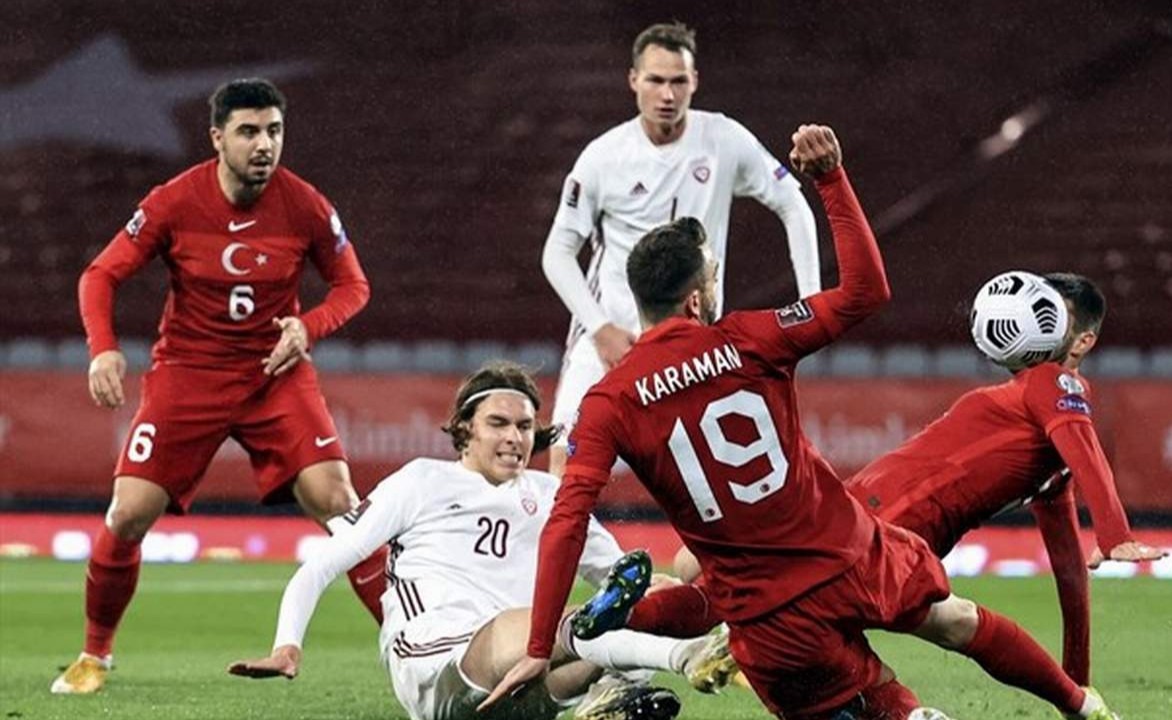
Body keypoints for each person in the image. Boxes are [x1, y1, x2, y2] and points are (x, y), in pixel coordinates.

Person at [484, 126, 1122, 720]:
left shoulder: (609, 401)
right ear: (698, 297)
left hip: (765, 611)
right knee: (956, 622)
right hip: (851, 552)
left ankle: (602, 628)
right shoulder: (751, 338)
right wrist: (832, 180)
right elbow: (867, 292)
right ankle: (1082, 706)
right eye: (714, 275)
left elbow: (567, 519)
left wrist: (540, 644)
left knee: (859, 691)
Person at [633, 272, 1168, 687]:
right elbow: (1079, 448)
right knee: (716, 593)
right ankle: (614, 627)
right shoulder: (1043, 392)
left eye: (1051, 314)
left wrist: (1079, 668)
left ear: (1081, 341)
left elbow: (1069, 565)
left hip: (872, 522)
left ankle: (610, 628)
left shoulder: (1050, 401)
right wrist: (1114, 537)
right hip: (876, 525)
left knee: (708, 580)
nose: (1037, 320)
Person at [54, 78, 386, 694]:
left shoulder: (307, 205)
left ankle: (415, 646)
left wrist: (307, 327)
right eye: (249, 132)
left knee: (343, 505)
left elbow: (353, 286)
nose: (264, 145)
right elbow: (99, 275)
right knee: (128, 514)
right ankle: (94, 655)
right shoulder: (174, 201)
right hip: (189, 374)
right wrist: (103, 350)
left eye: (274, 131)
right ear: (217, 138)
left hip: (275, 376)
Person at [228, 362, 731, 720]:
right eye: (498, 423)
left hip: (527, 679)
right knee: (579, 622)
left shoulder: (549, 495)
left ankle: (610, 694)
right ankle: (685, 656)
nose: (515, 437)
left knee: (637, 605)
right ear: (465, 427)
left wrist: (676, 590)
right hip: (436, 661)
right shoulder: (422, 480)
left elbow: (620, 582)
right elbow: (322, 565)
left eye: (525, 426)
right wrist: (287, 645)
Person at [543, 21, 821, 477]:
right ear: (634, 80)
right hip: (612, 338)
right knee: (566, 464)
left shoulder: (724, 140)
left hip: (693, 347)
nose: (667, 94)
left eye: (678, 81)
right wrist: (600, 328)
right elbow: (557, 253)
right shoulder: (602, 157)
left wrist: (810, 301)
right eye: (655, 80)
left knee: (712, 475)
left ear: (694, 81)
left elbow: (793, 204)